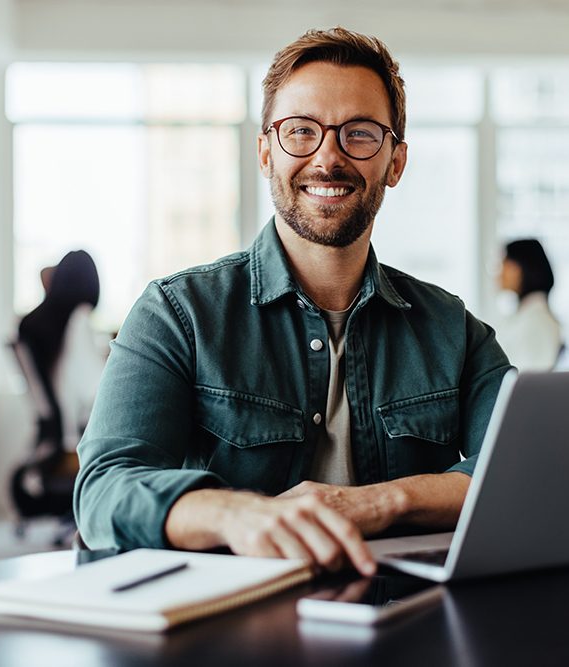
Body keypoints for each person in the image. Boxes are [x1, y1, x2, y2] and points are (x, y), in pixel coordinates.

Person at [74, 28, 512, 576]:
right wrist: (235, 513)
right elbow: (104, 490)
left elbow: (521, 471)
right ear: (265, 153)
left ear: (395, 162)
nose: (328, 158)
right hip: (230, 630)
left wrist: (379, 501)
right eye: (300, 131)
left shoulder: (455, 330)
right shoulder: (178, 313)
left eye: (359, 134)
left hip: (407, 621)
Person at [18, 249, 105, 452]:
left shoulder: (35, 324)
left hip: (51, 438)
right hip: (78, 439)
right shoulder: (79, 319)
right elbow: (95, 390)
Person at [495, 239, 562, 371]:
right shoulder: (527, 314)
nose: (499, 273)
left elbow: (526, 379)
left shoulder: (537, 320)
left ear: (520, 268)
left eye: (504, 264)